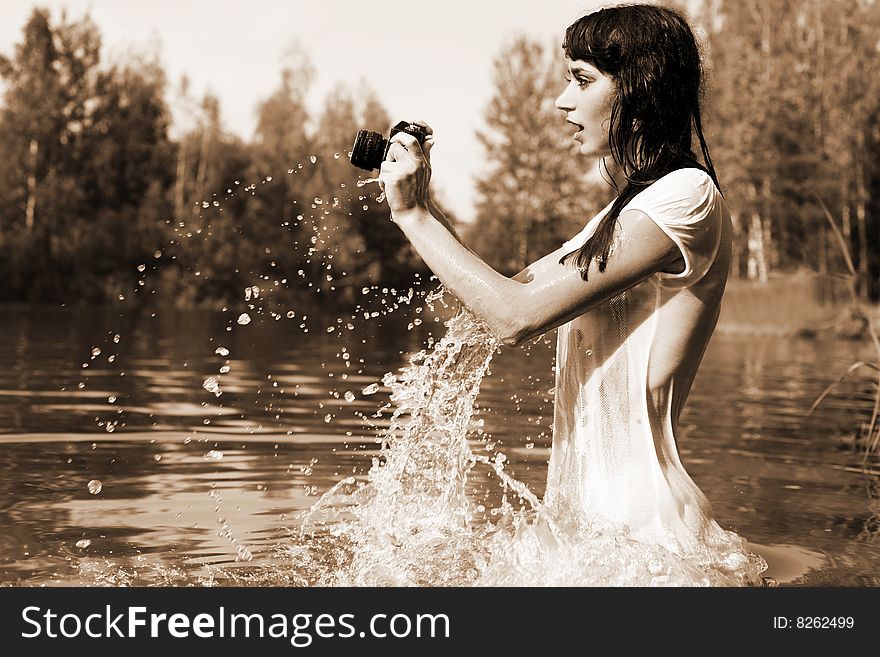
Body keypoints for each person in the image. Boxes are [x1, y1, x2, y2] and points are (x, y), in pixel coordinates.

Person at [377, 4, 766, 579]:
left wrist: (412, 218)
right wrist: (425, 203)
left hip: (647, 541)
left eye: (582, 80)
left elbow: (514, 317)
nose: (563, 101)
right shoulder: (625, 213)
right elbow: (503, 297)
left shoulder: (684, 198)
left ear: (642, 90)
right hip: (586, 535)